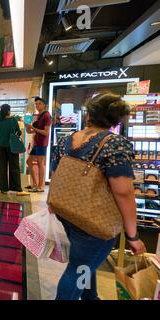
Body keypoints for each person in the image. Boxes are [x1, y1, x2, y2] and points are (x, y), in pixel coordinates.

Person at [51, 93, 146, 300]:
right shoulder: (115, 145)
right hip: (94, 222)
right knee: (78, 269)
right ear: (116, 120)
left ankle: (90, 297)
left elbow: (55, 173)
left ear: (89, 116)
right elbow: (123, 192)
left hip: (67, 213)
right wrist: (133, 235)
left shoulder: (66, 140)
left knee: (86, 264)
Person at [0, 104, 28, 196]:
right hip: (12, 146)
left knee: (2, 167)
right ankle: (16, 188)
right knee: (14, 167)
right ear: (8, 111)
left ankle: (3, 188)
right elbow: (19, 132)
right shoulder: (13, 120)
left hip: (1, 147)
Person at [25, 97, 52, 193]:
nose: (37, 105)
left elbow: (45, 132)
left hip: (42, 143)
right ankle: (35, 184)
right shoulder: (39, 116)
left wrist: (32, 128)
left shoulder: (47, 116)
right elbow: (31, 131)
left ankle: (40, 186)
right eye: (36, 104)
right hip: (36, 143)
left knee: (40, 164)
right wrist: (28, 128)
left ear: (44, 105)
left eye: (39, 103)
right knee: (29, 162)